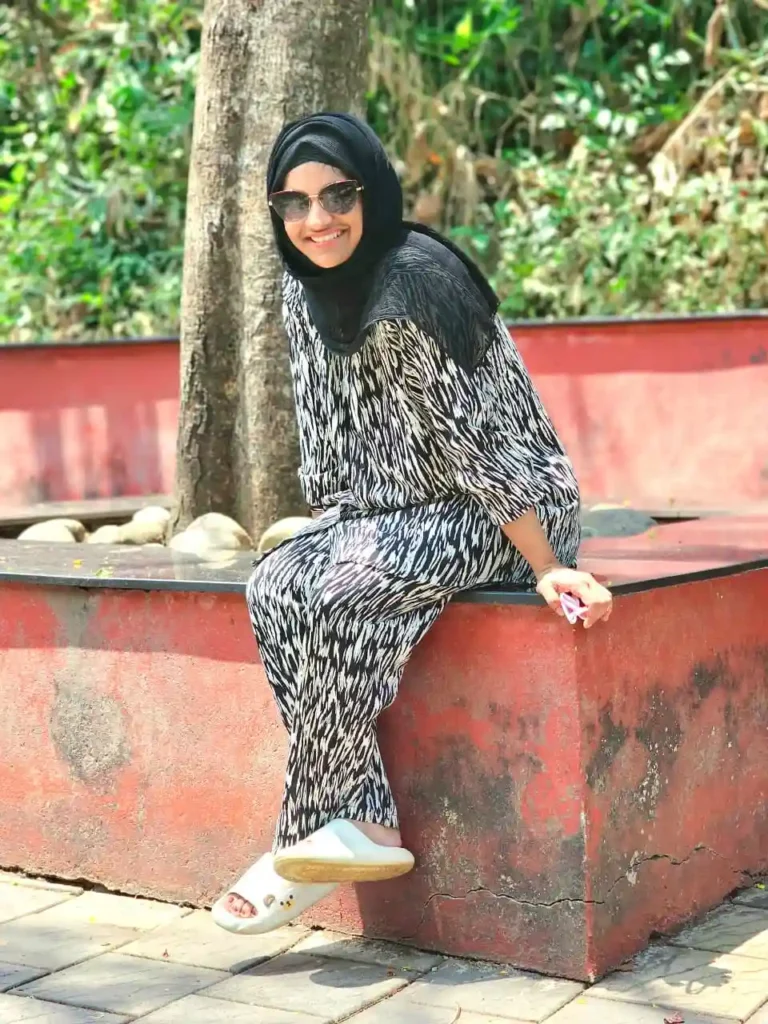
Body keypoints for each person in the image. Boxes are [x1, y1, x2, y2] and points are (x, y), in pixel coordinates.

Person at [212, 112, 612, 935]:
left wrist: (544, 565)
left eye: (337, 195)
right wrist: (338, 523)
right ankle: (365, 822)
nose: (316, 221)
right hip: (391, 507)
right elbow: (337, 426)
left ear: (373, 191)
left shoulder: (407, 290)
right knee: (277, 584)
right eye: (293, 203)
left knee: (344, 593)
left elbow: (475, 449)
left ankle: (299, 835)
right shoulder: (305, 280)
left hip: (499, 507)